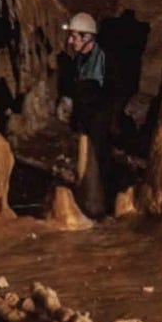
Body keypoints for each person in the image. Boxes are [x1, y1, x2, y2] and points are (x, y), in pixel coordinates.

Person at [61, 12, 111, 213]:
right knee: (85, 160)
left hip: (99, 118)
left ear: (87, 37)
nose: (70, 40)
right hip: (86, 118)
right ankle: (88, 199)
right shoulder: (80, 60)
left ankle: (103, 205)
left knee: (100, 160)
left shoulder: (105, 59)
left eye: (74, 36)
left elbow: (112, 91)